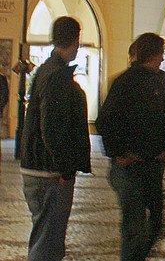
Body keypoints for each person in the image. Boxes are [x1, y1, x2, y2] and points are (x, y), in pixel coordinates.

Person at [96, 33, 165, 261]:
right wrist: (119, 152)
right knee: (134, 225)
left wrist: (164, 146)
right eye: (159, 54)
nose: (162, 59)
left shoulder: (164, 82)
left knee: (156, 222)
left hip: (153, 163)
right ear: (151, 55)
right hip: (130, 166)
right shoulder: (126, 82)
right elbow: (105, 121)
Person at [20, 16, 90, 261]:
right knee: (48, 242)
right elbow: (52, 126)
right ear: (75, 41)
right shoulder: (57, 75)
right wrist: (64, 168)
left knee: (43, 236)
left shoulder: (46, 70)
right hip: (47, 172)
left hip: (38, 167)